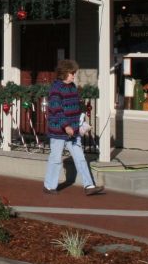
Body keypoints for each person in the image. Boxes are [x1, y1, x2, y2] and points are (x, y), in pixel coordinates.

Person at [44, 60, 104, 195]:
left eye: (74, 73)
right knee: (56, 159)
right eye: (72, 73)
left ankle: (89, 186)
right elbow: (56, 109)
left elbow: (76, 105)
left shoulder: (72, 87)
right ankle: (49, 186)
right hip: (58, 131)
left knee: (80, 157)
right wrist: (66, 126)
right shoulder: (55, 89)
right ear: (64, 73)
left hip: (73, 131)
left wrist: (80, 121)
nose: (73, 76)